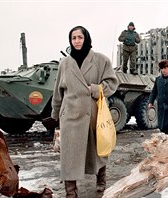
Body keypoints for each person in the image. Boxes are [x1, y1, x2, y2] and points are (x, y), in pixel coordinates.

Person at [51, 26, 118, 197]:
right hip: (70, 116)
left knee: (98, 150)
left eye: (80, 37)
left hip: (93, 115)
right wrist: (56, 114)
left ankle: (101, 180)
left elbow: (112, 83)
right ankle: (71, 192)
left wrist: (95, 89)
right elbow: (58, 91)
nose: (77, 41)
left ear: (86, 38)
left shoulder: (100, 60)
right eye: (73, 38)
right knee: (69, 155)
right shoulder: (65, 64)